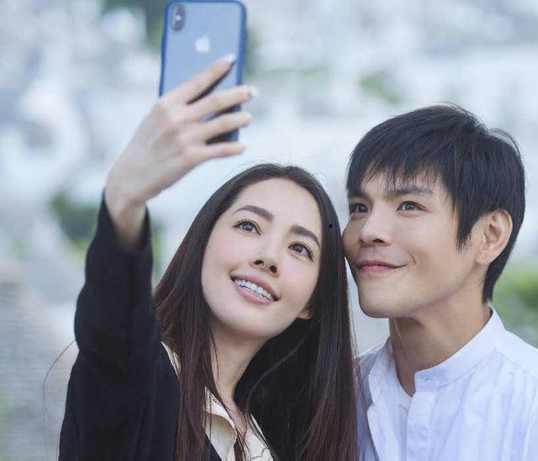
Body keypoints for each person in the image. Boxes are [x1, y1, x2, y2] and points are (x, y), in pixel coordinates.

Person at [58, 56, 358, 461]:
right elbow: (112, 329)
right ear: (202, 244)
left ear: (312, 302)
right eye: (249, 226)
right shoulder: (140, 380)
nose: (269, 257)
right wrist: (125, 198)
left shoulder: (276, 441)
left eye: (299, 248)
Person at [343, 104, 538, 460]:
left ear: (490, 235)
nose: (369, 231)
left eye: (408, 206)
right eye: (359, 207)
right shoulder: (331, 401)